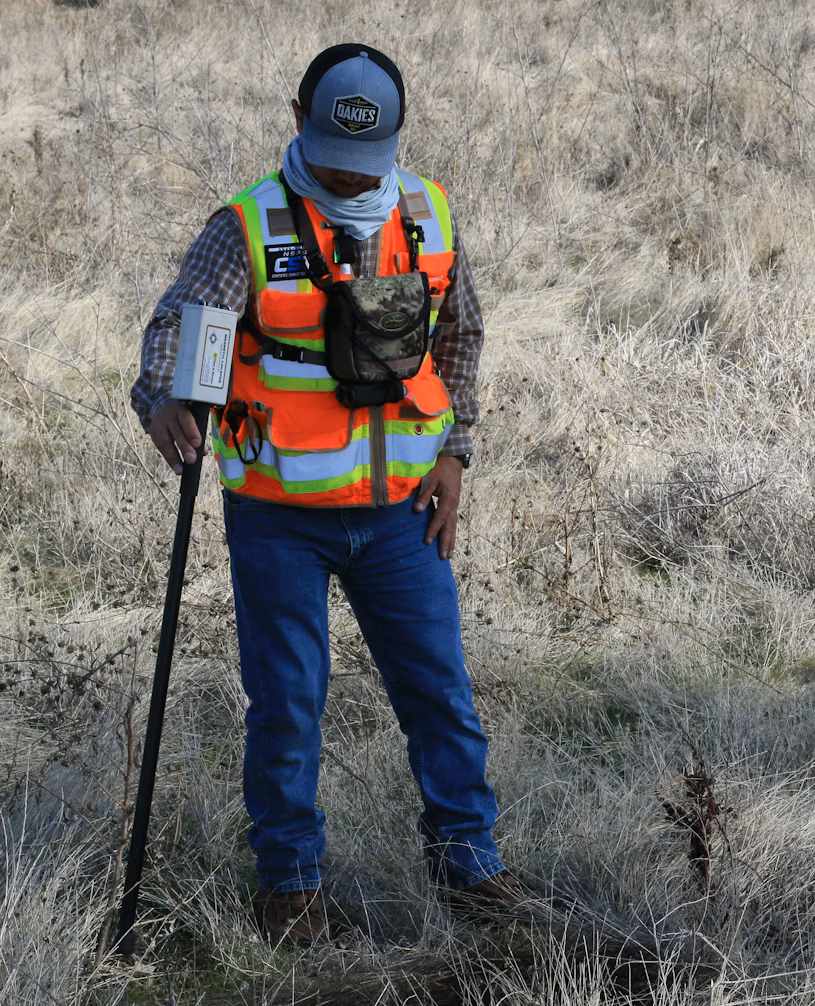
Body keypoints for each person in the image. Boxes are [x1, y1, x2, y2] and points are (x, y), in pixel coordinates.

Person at [130, 43, 528, 945]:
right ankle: (290, 883)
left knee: (439, 692)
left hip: (400, 513)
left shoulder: (426, 213)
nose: (352, 176)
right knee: (288, 699)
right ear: (299, 122)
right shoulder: (247, 225)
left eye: (368, 159)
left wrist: (455, 453)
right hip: (279, 516)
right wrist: (163, 400)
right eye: (334, 154)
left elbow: (460, 333)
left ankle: (470, 864)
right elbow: (173, 326)